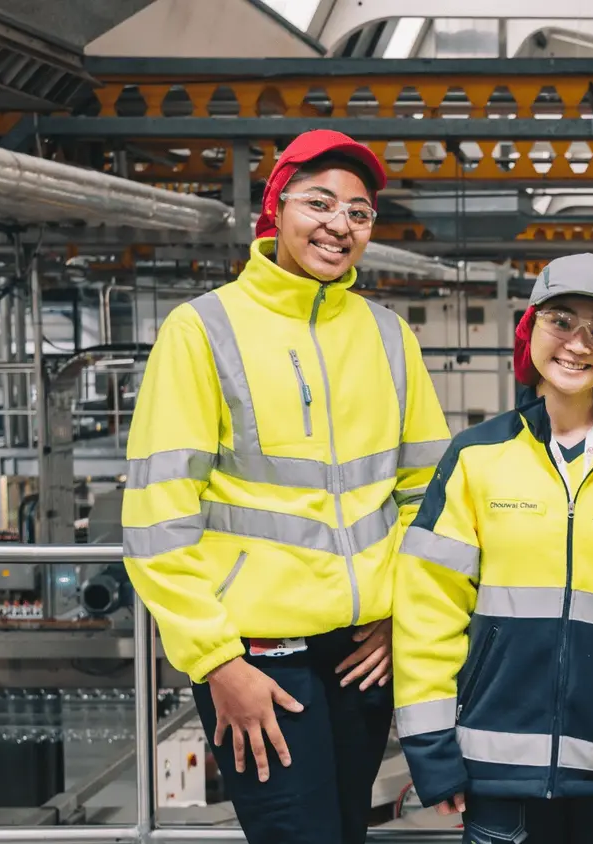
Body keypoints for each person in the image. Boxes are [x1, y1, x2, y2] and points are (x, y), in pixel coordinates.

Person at [122, 130, 450, 844]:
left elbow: (430, 494)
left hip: (364, 652)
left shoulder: (389, 335)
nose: (340, 225)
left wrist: (403, 615)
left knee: (344, 831)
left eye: (359, 212)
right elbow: (157, 517)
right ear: (276, 209)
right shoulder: (203, 330)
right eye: (320, 202)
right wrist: (215, 663)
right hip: (258, 656)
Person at [392, 253, 593, 844]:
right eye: (562, 320)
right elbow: (430, 606)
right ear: (531, 329)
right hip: (497, 766)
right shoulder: (476, 457)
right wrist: (430, 746)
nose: (578, 344)